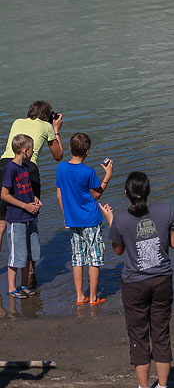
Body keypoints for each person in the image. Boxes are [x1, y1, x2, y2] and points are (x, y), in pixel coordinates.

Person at [100, 172, 174, 388]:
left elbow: (118, 250)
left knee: (138, 335)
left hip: (134, 283)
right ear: (148, 191)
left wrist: (111, 220)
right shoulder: (166, 210)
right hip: (162, 280)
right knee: (161, 333)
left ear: (126, 193)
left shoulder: (121, 219)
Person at [0, 101, 63, 275]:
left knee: (1, 223)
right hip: (27, 169)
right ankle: (30, 274)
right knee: (29, 218)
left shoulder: (17, 121)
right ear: (47, 116)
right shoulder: (47, 126)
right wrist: (56, 129)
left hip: (4, 165)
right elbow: (58, 155)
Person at [56, 132, 113, 305]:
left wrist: (66, 216)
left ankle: (80, 296)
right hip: (90, 219)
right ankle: (93, 297)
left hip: (73, 220)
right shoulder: (88, 172)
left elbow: (59, 195)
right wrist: (107, 176)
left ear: (69, 148)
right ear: (87, 152)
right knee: (94, 258)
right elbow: (96, 195)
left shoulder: (61, 168)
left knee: (77, 258)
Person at [1, 134, 42, 299]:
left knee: (30, 253)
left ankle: (24, 285)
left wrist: (35, 199)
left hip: (30, 217)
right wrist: (25, 206)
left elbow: (26, 189)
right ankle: (12, 287)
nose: (33, 152)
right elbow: (4, 194)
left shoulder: (26, 168)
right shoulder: (11, 169)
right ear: (25, 151)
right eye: (32, 150)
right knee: (16, 255)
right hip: (16, 217)